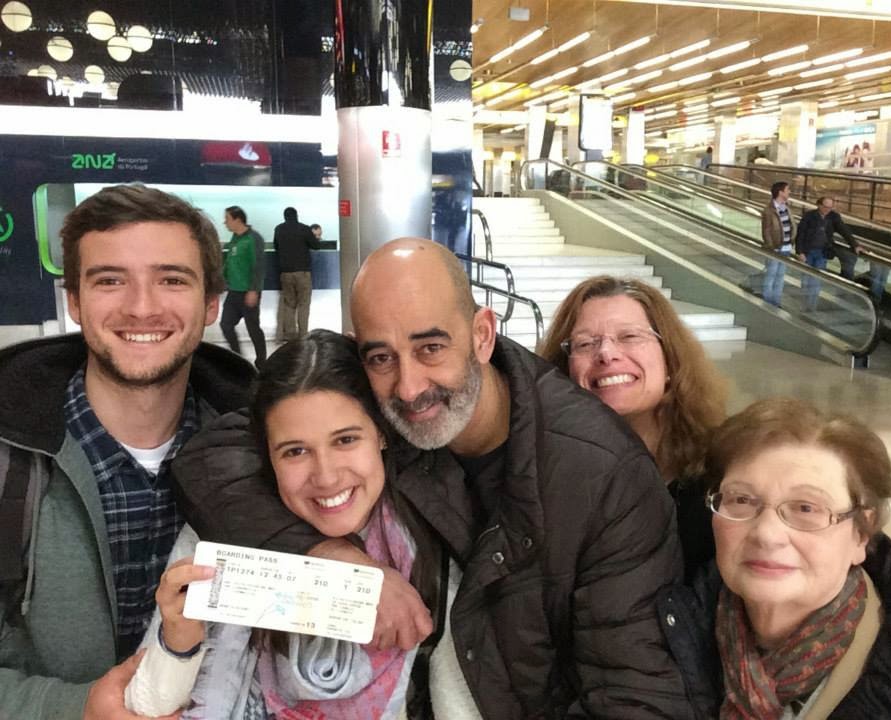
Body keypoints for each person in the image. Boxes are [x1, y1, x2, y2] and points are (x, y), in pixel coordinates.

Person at [174, 238, 694, 718]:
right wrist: (334, 558)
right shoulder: (374, 407)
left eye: (431, 348)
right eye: (381, 357)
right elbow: (213, 458)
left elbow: (635, 692)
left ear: (482, 334)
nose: (408, 386)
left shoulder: (604, 473)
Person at [0, 184, 255, 719]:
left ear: (212, 303)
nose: (142, 307)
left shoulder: (261, 452)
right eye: (110, 280)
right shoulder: (10, 461)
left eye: (171, 279)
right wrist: (73, 709)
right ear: (74, 301)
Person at [125, 330, 439, 718]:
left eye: (345, 440)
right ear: (266, 456)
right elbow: (145, 704)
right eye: (295, 451)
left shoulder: (428, 543)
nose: (326, 477)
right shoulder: (223, 533)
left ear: (381, 434)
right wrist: (179, 640)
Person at [658, 398, 891, 719]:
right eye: (742, 499)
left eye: (806, 508)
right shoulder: (671, 626)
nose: (767, 534)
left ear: (861, 534)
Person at [538, 276, 727, 580]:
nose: (606, 353)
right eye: (585, 343)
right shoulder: (542, 472)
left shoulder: (723, 472)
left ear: (670, 359)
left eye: (629, 336)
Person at [221, 205, 268, 369]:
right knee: (226, 324)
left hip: (249, 292)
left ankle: (262, 361)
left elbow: (259, 266)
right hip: (233, 291)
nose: (224, 223)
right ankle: (237, 357)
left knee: (253, 328)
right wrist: (221, 281)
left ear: (237, 219)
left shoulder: (254, 239)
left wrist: (254, 289)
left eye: (227, 219)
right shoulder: (234, 239)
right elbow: (228, 263)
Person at [795, 196, 861, 311]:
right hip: (808, 251)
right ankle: (804, 304)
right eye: (825, 207)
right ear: (819, 205)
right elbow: (800, 234)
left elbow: (844, 230)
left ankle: (811, 307)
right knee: (806, 280)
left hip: (822, 252)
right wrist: (799, 251)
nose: (827, 210)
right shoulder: (809, 216)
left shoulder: (833, 217)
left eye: (830, 207)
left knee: (817, 280)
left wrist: (855, 245)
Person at [273, 207, 323, 342]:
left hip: (285, 273)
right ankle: (303, 336)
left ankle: (290, 336)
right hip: (302, 272)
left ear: (285, 217)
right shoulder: (304, 229)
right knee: (303, 304)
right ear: (296, 216)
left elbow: (276, 246)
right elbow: (316, 246)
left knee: (289, 305)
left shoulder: (279, 229)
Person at [760, 181, 794, 308]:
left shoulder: (786, 207)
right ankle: (767, 301)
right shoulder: (769, 210)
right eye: (787, 190)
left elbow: (790, 225)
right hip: (775, 249)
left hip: (786, 247)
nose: (789, 192)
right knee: (771, 275)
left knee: (780, 277)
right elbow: (766, 230)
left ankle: (776, 301)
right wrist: (771, 246)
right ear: (780, 192)